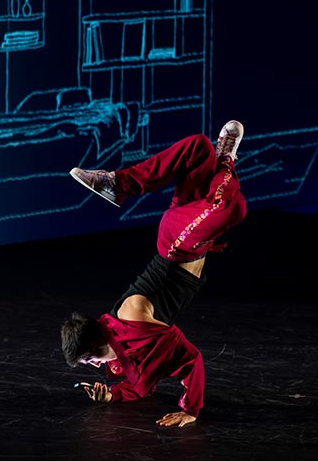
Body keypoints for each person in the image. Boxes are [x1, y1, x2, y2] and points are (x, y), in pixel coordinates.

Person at [60, 120, 247, 428]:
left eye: (89, 360)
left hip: (177, 247)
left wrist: (190, 408)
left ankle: (120, 183)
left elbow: (187, 359)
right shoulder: (122, 347)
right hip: (189, 233)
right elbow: (138, 383)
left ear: (96, 346)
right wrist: (112, 395)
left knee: (233, 208)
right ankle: (221, 156)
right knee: (199, 148)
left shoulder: (132, 324)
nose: (95, 366)